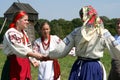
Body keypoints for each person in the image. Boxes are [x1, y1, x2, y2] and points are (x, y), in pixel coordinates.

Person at [45, 5, 120, 80]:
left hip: (84, 67)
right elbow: (116, 49)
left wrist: (49, 55)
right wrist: (49, 55)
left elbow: (62, 48)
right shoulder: (102, 32)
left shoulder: (78, 32)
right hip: (90, 67)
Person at [1, 10, 47, 80]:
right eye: (25, 20)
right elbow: (19, 48)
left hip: (24, 64)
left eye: (27, 20)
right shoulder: (11, 33)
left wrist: (33, 60)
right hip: (14, 64)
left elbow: (28, 47)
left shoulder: (24, 33)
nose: (27, 22)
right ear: (18, 20)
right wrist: (36, 55)